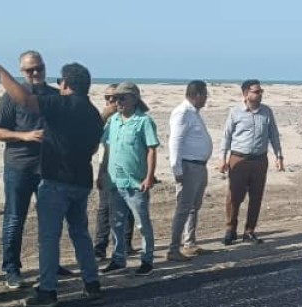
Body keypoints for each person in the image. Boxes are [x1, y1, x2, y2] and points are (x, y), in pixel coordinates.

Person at [0, 56, 104, 307]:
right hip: (81, 182)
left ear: (66, 84)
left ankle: (48, 291)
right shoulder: (93, 113)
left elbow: (25, 100)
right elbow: (92, 148)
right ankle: (92, 284)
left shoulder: (62, 103)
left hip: (56, 181)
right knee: (80, 233)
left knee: (49, 237)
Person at [0, 50, 66, 289]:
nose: (35, 73)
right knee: (14, 218)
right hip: (19, 166)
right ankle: (11, 269)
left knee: (51, 219)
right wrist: (24, 136)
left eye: (39, 68)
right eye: (29, 70)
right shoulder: (11, 97)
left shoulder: (56, 97)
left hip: (49, 168)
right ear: (21, 72)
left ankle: (51, 263)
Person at [101, 82, 159, 275]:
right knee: (116, 223)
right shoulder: (113, 122)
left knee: (142, 223)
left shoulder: (144, 121)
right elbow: (107, 149)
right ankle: (118, 258)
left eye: (122, 97)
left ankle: (147, 259)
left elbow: (151, 149)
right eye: (114, 98)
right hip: (115, 181)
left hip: (136, 182)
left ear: (134, 98)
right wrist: (102, 172)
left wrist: (149, 176)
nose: (117, 102)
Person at [220, 79, 284, 245]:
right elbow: (226, 136)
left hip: (260, 160)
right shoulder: (235, 112)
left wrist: (279, 156)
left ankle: (249, 231)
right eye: (256, 91)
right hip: (238, 159)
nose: (260, 94)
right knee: (234, 196)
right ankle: (230, 230)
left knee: (256, 196)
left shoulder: (267, 112)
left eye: (261, 91)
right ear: (245, 94)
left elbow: (274, 135)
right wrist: (222, 159)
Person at [167, 81, 213, 261]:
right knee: (184, 208)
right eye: (205, 95)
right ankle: (173, 248)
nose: (206, 99)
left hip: (199, 166)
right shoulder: (183, 113)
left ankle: (190, 243)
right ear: (198, 95)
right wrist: (176, 169)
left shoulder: (194, 113)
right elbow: (175, 142)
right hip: (188, 166)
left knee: (194, 206)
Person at [94, 84, 134, 259]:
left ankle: (125, 244)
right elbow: (92, 136)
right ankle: (100, 246)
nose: (111, 101)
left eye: (115, 97)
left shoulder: (130, 116)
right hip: (107, 168)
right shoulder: (102, 118)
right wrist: (104, 116)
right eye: (107, 98)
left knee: (129, 207)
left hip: (128, 169)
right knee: (105, 208)